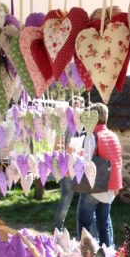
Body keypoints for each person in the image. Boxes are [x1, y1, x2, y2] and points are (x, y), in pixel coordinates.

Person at [76, 103, 122, 247]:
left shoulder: (92, 136)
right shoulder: (113, 136)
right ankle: (107, 254)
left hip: (94, 187)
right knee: (104, 224)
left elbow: (86, 161)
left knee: (84, 224)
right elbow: (118, 161)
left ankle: (86, 253)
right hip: (110, 187)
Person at [54, 96, 84, 231]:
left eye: (82, 106)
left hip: (79, 166)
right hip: (66, 167)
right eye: (77, 106)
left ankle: (80, 229)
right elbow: (58, 147)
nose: (79, 109)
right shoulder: (66, 125)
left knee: (81, 200)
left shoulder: (82, 125)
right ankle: (58, 228)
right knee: (66, 197)